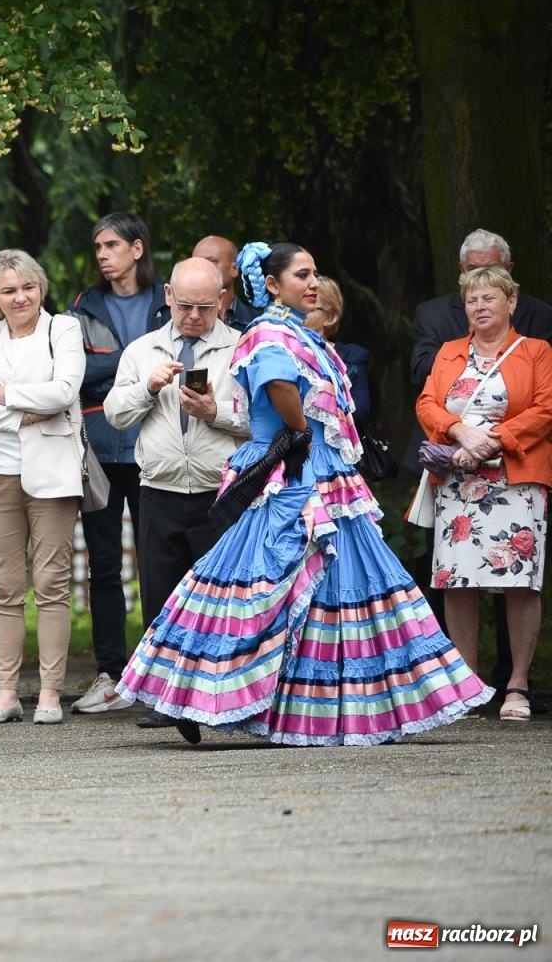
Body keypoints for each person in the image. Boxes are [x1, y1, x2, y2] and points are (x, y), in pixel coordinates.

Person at [118, 242, 491, 745]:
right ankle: (193, 690)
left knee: (329, 591)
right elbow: (278, 387)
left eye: (316, 273)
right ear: (272, 285)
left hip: (318, 471)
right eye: (301, 274)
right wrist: (299, 432)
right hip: (296, 474)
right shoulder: (271, 332)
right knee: (262, 587)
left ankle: (319, 709)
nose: (313, 283)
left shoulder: (294, 331)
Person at [103, 258, 249, 728]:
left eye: (205, 307)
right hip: (160, 489)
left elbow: (262, 420)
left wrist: (215, 412)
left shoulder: (241, 347)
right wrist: (148, 388)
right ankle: (165, 700)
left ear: (223, 300)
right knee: (161, 596)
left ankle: (219, 696)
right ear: (167, 295)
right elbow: (113, 414)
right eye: (184, 305)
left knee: (223, 599)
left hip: (219, 490)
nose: (193, 316)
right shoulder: (143, 349)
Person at [405, 228, 552, 691]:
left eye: (489, 298)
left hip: (517, 477)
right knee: (456, 578)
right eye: (472, 300)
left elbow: (546, 407)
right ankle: (465, 685)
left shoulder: (537, 351)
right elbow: (427, 403)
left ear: (511, 302)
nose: (480, 307)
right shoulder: (449, 353)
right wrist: (459, 430)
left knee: (519, 580)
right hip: (457, 480)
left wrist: (495, 439)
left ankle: (518, 684)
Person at [0, 251, 83, 725]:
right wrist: (28, 410)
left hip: (52, 473)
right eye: (8, 290)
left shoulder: (63, 329)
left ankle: (50, 693)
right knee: (4, 587)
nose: (19, 297)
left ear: (40, 288)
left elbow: (64, 392)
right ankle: (6, 693)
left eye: (27, 287)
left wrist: (3, 396)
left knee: (52, 584)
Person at [68, 212, 168, 714]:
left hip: (155, 448)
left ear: (136, 248)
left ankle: (160, 674)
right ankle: (110, 674)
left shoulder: (166, 301)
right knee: (103, 566)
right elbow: (74, 371)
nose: (102, 254)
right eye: (98, 246)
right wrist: (134, 364)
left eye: (111, 245)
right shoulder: (84, 306)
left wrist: (115, 371)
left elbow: (181, 361)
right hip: (100, 451)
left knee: (158, 563)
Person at [307, 277, 373, 432]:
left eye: (310, 306)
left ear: (329, 318)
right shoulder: (280, 350)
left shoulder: (352, 357)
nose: (299, 312)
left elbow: (359, 413)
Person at [190, 235, 258, 331]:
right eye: (195, 263)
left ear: (234, 269)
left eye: (211, 262)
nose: (201, 268)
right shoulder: (174, 319)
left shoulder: (257, 323)